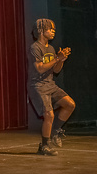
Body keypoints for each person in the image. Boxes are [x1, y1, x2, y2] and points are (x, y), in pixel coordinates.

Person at [28, 19, 75, 156]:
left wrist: (61, 60)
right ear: (41, 31)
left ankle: (55, 132)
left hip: (50, 84)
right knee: (49, 114)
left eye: (54, 29)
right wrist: (57, 58)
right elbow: (39, 68)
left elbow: (56, 70)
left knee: (70, 104)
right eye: (50, 29)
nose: (53, 31)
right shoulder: (35, 48)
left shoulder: (51, 48)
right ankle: (44, 146)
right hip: (38, 85)